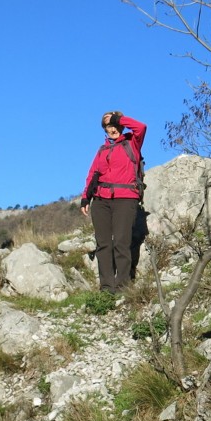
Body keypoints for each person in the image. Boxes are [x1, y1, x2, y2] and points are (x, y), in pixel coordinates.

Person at [80, 111, 146, 294]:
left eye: (115, 124)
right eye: (108, 126)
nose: (112, 129)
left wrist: (119, 118)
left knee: (121, 242)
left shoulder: (132, 142)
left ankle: (123, 286)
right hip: (101, 200)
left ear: (121, 125)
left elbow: (141, 127)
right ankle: (106, 288)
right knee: (103, 244)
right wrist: (86, 197)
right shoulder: (102, 150)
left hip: (126, 199)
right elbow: (92, 174)